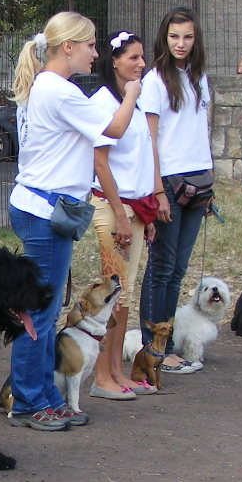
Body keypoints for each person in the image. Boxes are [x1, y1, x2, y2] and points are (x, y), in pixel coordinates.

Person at [7, 12, 140, 430]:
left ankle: (44, 393)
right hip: (45, 212)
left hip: (44, 209)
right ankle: (28, 401)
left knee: (44, 312)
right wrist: (133, 93)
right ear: (68, 47)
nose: (95, 54)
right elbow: (114, 129)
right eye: (91, 45)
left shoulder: (45, 87)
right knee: (39, 314)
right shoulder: (58, 90)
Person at [139, 6, 212, 373]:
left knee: (178, 268)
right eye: (174, 36)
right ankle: (152, 347)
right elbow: (149, 138)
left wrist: (209, 183)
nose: (181, 44)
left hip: (199, 180)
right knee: (162, 267)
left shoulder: (198, 77)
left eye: (187, 37)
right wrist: (158, 191)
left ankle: (163, 342)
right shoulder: (155, 79)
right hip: (169, 181)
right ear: (164, 38)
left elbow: (199, 130)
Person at [87, 30, 156, 397]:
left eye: (142, 57)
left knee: (125, 295)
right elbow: (100, 162)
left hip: (136, 207)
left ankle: (116, 371)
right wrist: (119, 213)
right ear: (114, 61)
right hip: (113, 207)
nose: (141, 64)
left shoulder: (134, 101)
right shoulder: (103, 103)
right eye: (133, 57)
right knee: (113, 293)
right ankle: (101, 377)